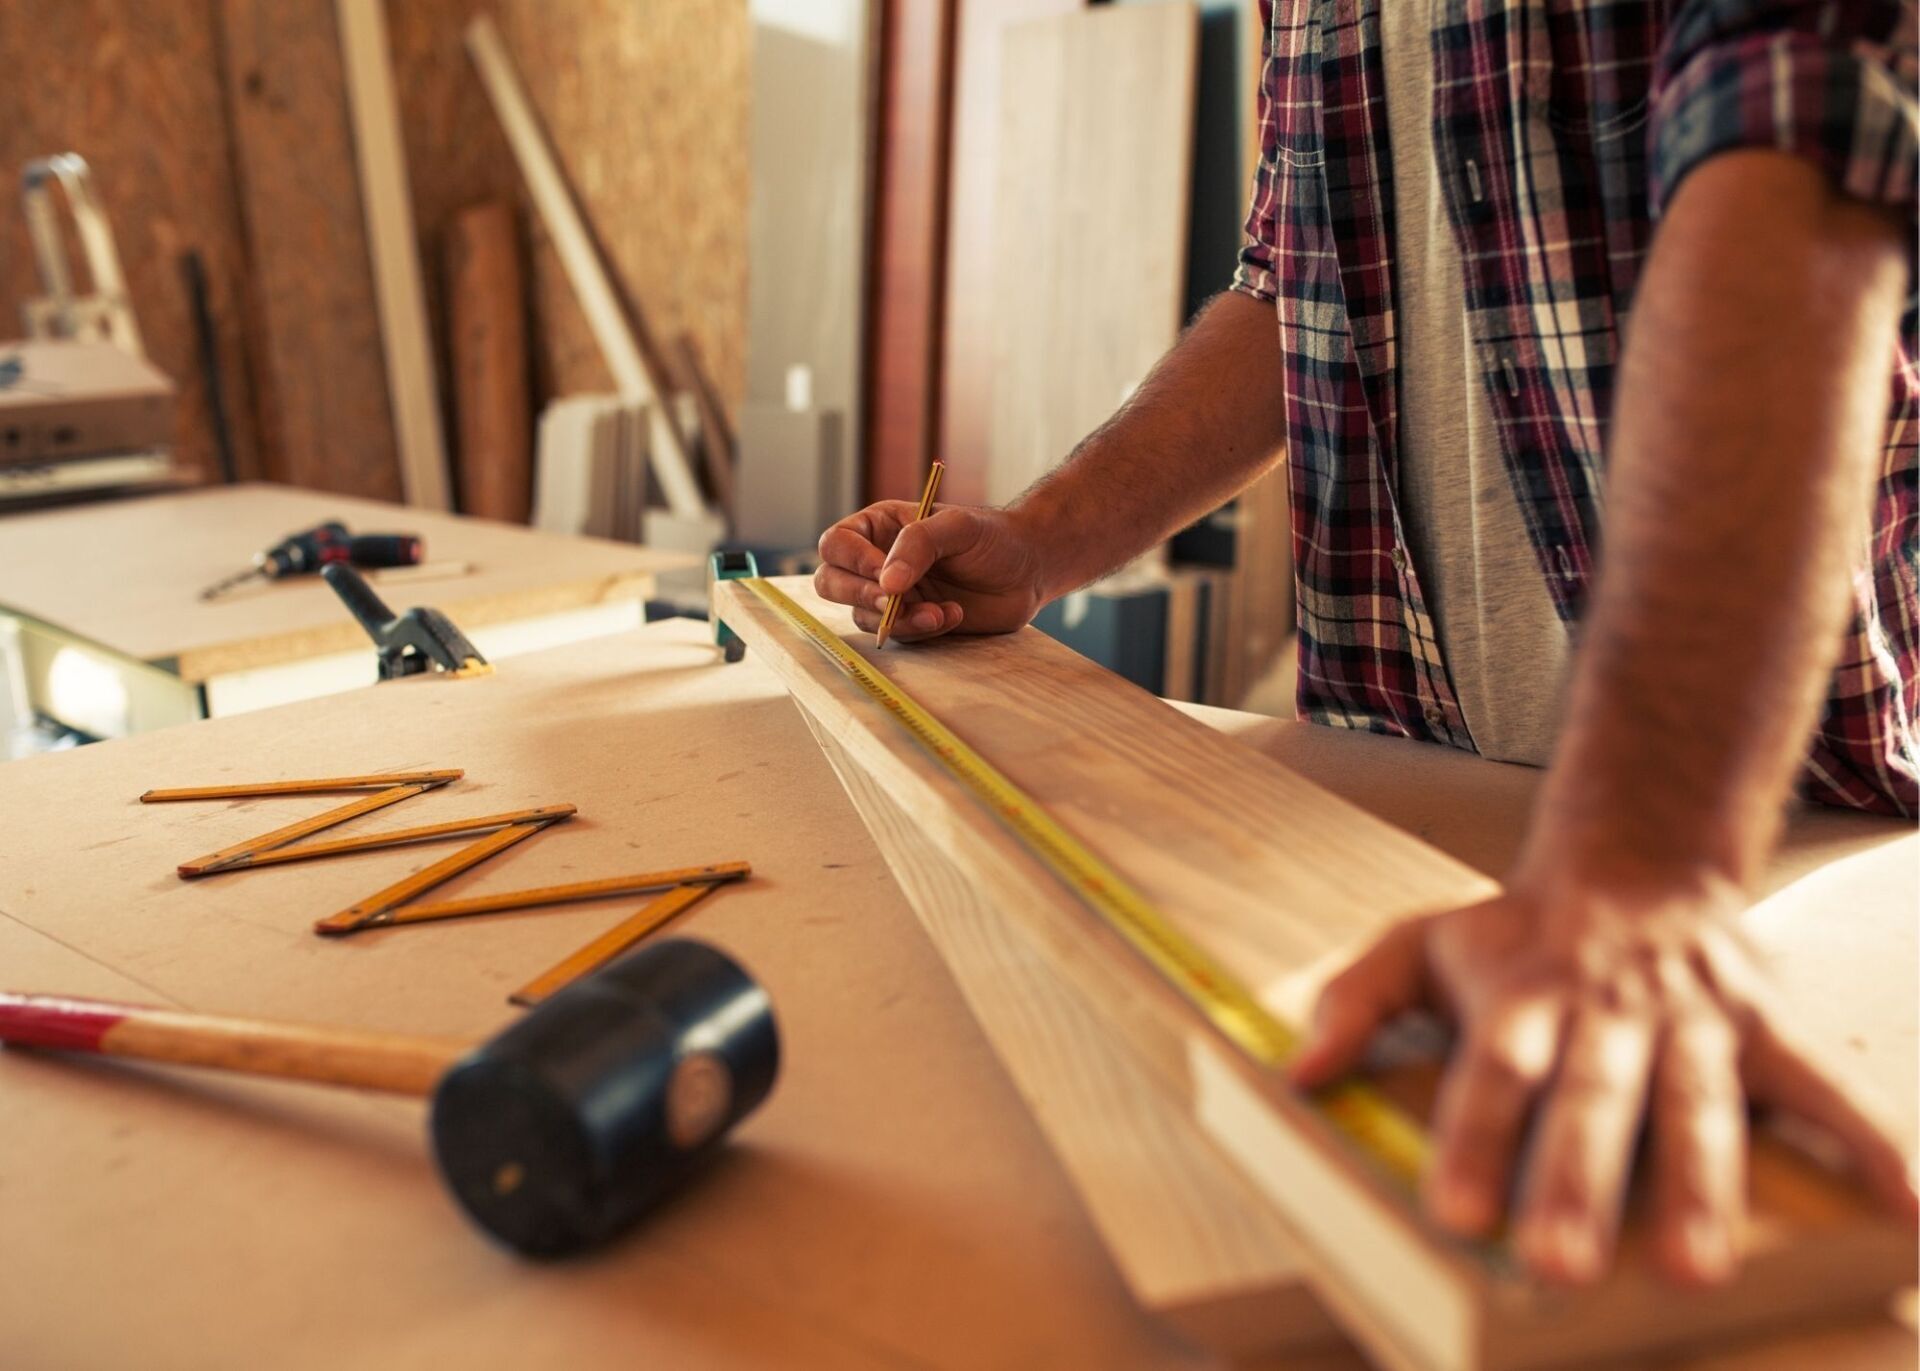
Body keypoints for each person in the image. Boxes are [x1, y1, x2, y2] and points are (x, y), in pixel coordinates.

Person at [815, 1, 1920, 1287]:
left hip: (1768, 832)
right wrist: (1041, 538)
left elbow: (1805, 184)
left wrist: (1641, 863)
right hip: (1417, 782)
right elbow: (1294, 282)